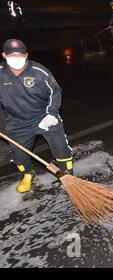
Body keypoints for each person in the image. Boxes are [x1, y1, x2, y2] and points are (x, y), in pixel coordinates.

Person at [0, 39, 73, 193]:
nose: (16, 59)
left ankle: (68, 176)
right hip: (17, 121)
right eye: (11, 55)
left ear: (26, 55)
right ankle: (27, 174)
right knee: (18, 155)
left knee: (61, 148)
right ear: (4, 56)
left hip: (44, 115)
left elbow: (55, 91)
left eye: (20, 55)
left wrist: (52, 114)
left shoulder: (39, 72)